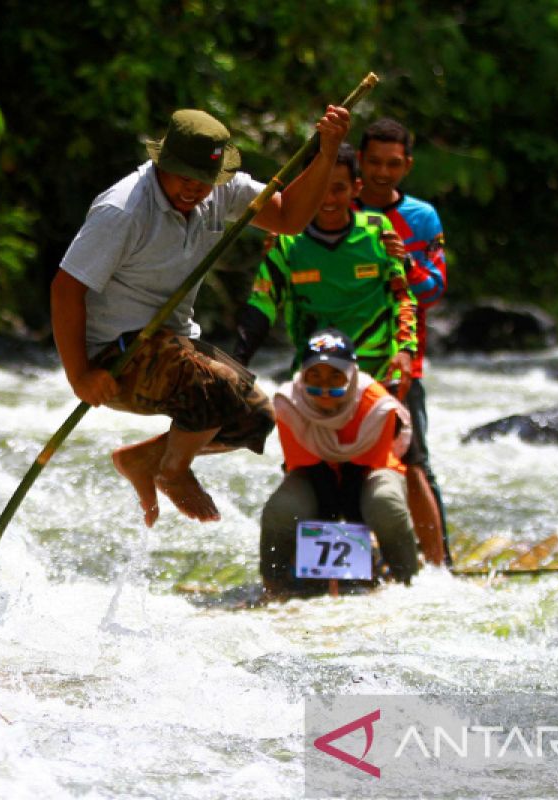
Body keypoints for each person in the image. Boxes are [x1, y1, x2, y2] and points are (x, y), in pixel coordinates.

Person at [51, 106, 351, 527]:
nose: (194, 190)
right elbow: (67, 289)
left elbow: (288, 219)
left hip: (174, 348)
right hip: (115, 359)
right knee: (213, 386)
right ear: (162, 165)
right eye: (184, 178)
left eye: (204, 181)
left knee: (254, 419)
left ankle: (146, 460)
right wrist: (79, 376)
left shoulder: (220, 191)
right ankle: (172, 472)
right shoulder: (123, 209)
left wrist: (327, 153)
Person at [232, 142, 417, 382]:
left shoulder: (378, 231)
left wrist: (405, 350)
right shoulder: (287, 242)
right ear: (307, 187)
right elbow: (263, 303)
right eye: (320, 189)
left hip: (377, 374)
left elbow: (402, 296)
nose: (328, 199)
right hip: (313, 374)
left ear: (356, 188)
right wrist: (237, 361)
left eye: (338, 189)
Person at [260, 328, 418, 597]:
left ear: (351, 375)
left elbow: (360, 473)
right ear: (303, 374)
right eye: (315, 375)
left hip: (371, 472)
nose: (324, 387)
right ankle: (274, 584)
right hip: (315, 475)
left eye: (335, 375)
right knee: (280, 509)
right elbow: (313, 471)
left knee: (384, 504)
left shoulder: (378, 406)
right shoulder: (289, 403)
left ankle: (405, 579)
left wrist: (359, 543)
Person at [355, 118, 450, 563]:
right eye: (373, 161)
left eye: (393, 164)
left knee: (414, 465)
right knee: (340, 467)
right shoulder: (337, 205)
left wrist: (404, 264)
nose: (381, 172)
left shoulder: (422, 218)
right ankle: (350, 564)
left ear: (407, 165)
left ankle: (439, 564)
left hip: (402, 363)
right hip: (340, 360)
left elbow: (433, 289)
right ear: (359, 160)